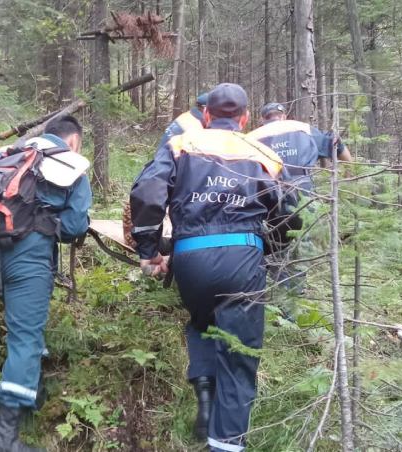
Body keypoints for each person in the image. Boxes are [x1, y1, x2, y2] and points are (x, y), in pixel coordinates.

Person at [130, 83, 288, 451]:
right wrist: (275, 250)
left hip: (190, 258)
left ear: (205, 115)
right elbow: (288, 211)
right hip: (243, 258)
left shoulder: (181, 145)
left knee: (202, 320)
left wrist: (149, 248)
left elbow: (146, 193)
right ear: (246, 118)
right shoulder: (261, 152)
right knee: (240, 356)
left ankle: (204, 393)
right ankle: (226, 443)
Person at [0, 116, 92, 452]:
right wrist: (48, 224)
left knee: (22, 325)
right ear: (74, 140)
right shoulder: (72, 165)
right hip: (29, 259)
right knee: (25, 336)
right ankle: (4, 439)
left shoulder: (6, 154)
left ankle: (32, 392)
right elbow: (75, 226)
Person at [248, 103, 352, 287]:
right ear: (283, 116)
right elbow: (336, 143)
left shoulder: (251, 138)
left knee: (272, 245)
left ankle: (272, 291)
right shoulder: (303, 129)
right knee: (300, 249)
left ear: (262, 118)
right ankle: (294, 293)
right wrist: (350, 171)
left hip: (267, 196)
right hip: (303, 196)